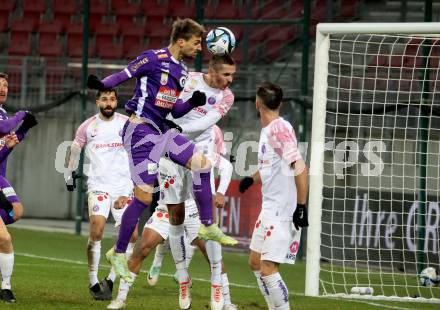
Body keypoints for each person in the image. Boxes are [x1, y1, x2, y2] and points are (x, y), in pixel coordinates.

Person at [86, 18, 233, 284]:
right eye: (197, 42)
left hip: (161, 131)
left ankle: (208, 226)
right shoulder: (153, 58)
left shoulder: (183, 72)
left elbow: (173, 109)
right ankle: (118, 253)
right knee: (142, 199)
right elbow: (124, 74)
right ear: (181, 40)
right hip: (139, 131)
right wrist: (102, 84)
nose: (200, 48)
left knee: (201, 164)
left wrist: (190, 104)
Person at [107, 129, 236, 310]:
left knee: (210, 253)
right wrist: (126, 195)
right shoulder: (156, 146)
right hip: (166, 208)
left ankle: (228, 303)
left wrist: (221, 191)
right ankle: (120, 299)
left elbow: (226, 166)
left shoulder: (193, 149)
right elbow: (140, 176)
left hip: (193, 210)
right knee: (141, 249)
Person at [156, 55, 237, 309]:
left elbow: (206, 122)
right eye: (226, 75)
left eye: (232, 75)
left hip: (198, 152)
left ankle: (215, 281)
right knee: (176, 217)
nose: (230, 80)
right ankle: (182, 278)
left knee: (207, 221)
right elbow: (169, 105)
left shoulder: (227, 96)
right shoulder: (188, 79)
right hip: (171, 150)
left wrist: (177, 131)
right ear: (212, 70)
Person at [238, 82, 309, 310]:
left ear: (257, 103)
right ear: (280, 103)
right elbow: (272, 164)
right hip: (270, 207)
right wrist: (252, 178)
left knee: (268, 267)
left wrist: (301, 206)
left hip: (282, 209)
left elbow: (299, 166)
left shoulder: (278, 129)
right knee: (255, 262)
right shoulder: (270, 130)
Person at [66, 89, 137, 301]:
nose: (108, 103)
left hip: (124, 188)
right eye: (104, 99)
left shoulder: (127, 123)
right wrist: (69, 173)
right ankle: (93, 280)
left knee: (132, 236)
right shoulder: (87, 126)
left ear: (116, 102)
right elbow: (75, 148)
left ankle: (111, 279)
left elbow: (140, 146)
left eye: (112, 99)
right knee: (96, 230)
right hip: (99, 186)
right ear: (98, 102)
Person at [0, 72, 38, 303]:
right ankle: (5, 287)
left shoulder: (2, 112)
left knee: (16, 210)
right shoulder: (4, 118)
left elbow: (8, 140)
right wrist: (23, 114)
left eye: (5, 85)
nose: (3, 88)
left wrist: (24, 130)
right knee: (4, 239)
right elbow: (6, 126)